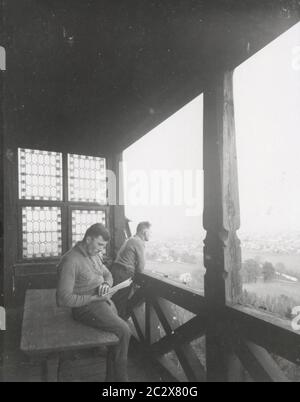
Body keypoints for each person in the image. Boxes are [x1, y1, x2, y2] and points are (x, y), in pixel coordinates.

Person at [56, 223, 131, 382]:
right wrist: (93, 298)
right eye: (99, 244)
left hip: (102, 302)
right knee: (124, 331)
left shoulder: (95, 255)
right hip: (85, 307)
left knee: (118, 334)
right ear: (88, 239)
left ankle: (111, 379)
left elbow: (108, 274)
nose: (101, 249)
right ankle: (120, 381)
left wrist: (106, 285)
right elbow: (63, 299)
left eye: (103, 246)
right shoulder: (71, 260)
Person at [111, 221, 151, 318]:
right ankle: (118, 328)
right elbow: (141, 266)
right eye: (150, 232)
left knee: (116, 300)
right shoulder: (138, 242)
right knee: (120, 303)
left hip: (117, 271)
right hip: (123, 273)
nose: (150, 235)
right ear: (144, 232)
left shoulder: (131, 239)